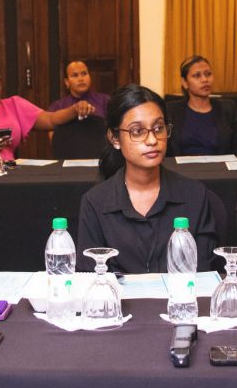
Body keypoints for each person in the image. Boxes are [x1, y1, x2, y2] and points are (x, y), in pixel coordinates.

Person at [77, 85, 220, 272]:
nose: (152, 140)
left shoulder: (195, 195)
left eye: (158, 128)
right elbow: (90, 278)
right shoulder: (96, 202)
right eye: (137, 131)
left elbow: (203, 275)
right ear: (115, 138)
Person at [168, 55, 237, 156]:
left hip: (219, 169)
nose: (205, 79)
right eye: (197, 75)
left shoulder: (228, 108)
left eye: (208, 74)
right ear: (185, 83)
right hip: (179, 169)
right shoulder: (171, 111)